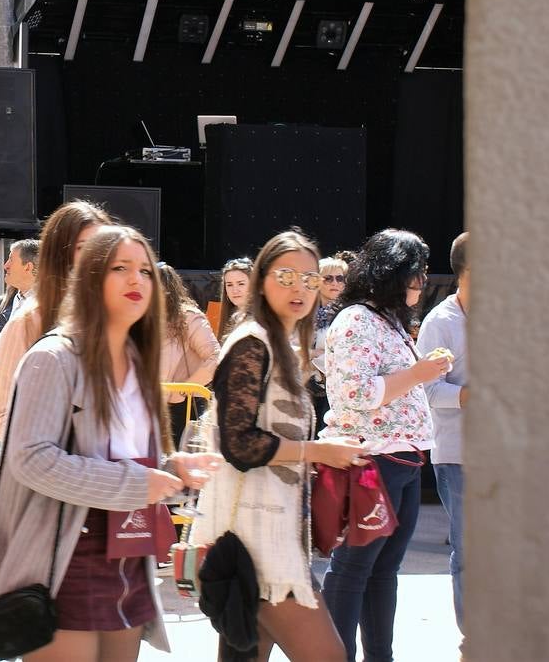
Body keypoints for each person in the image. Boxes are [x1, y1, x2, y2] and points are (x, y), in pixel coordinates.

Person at [0, 226, 216, 661]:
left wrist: (171, 467)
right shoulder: (54, 357)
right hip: (66, 560)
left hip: (128, 559)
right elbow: (30, 458)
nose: (136, 280)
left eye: (144, 270)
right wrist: (134, 484)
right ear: (88, 279)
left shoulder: (136, 360)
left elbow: (121, 453)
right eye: (119, 268)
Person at [193, 230, 368, 661]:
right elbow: (239, 443)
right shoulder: (253, 343)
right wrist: (317, 452)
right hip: (256, 543)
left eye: (310, 279)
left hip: (269, 534)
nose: (299, 288)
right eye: (286, 275)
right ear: (261, 279)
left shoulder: (281, 347)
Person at [321, 229, 451, 662]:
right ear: (393, 274)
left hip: (403, 459)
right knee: (355, 568)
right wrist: (420, 373)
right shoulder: (356, 320)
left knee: (383, 570)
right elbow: (354, 393)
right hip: (372, 459)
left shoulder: (386, 321)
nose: (422, 284)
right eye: (416, 275)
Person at [0, 200, 112, 440]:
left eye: (104, 247)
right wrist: (67, 449)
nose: (97, 257)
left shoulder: (112, 318)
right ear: (59, 254)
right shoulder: (28, 321)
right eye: (85, 247)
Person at [418, 232, 469, 639]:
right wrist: (472, 396)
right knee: (470, 553)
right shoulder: (440, 322)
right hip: (458, 454)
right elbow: (427, 390)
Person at [156, 262, 220, 444]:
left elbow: (216, 358)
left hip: (183, 409)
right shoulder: (143, 320)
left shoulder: (189, 317)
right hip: (152, 407)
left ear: (166, 289)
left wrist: (183, 390)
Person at [0, 239, 39, 358]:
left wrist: (4, 341)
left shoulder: (50, 307)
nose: (5, 265)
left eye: (11, 260)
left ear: (28, 267)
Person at [308, 255, 350, 433]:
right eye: (328, 278)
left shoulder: (350, 313)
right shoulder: (304, 311)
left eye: (340, 278)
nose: (335, 283)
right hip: (307, 385)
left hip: (338, 388)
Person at [216, 257, 253, 339]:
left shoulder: (258, 321)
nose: (235, 290)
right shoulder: (231, 318)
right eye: (229, 285)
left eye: (241, 284)